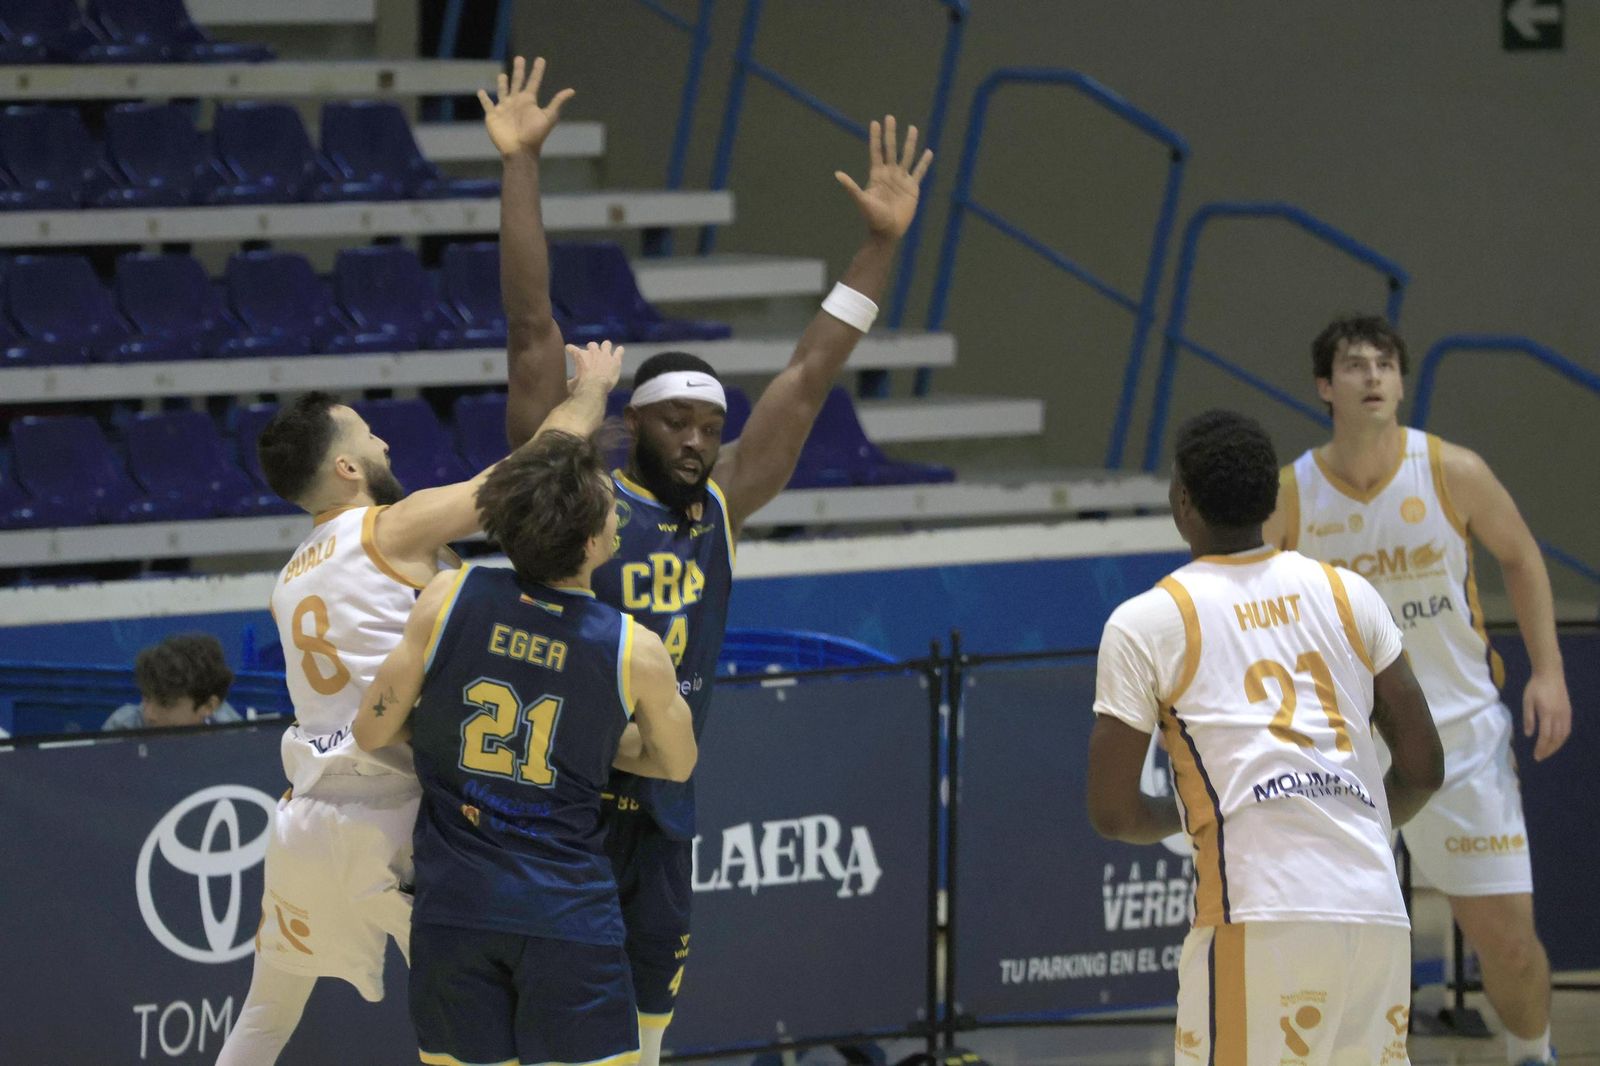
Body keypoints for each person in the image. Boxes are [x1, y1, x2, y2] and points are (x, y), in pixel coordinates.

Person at [500, 103, 932, 1061]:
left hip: (662, 795)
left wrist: (876, 246)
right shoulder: (576, 488)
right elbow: (534, 332)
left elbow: (813, 369)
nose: (697, 438)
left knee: (648, 1029)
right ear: (633, 426)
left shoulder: (728, 497)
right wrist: (521, 166)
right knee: (544, 1028)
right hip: (559, 792)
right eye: (676, 422)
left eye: (709, 422)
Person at [213, 323, 620, 1066]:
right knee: (491, 1020)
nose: (388, 447)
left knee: (265, 1017)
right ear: (346, 466)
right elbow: (525, 477)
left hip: (305, 818)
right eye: (371, 437)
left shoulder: (290, 575)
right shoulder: (384, 530)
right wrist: (590, 391)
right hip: (403, 820)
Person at [1089, 408, 1444, 1065]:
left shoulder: (1147, 622)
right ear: (1271, 497)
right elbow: (1422, 766)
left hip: (1260, 913)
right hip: (1376, 910)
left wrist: (1203, 814)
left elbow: (1114, 813)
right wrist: (1339, 814)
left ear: (1182, 501)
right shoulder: (1349, 594)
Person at [1265, 316, 1572, 1066]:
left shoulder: (1451, 470)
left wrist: (1550, 672)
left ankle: (1532, 1053)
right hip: (1341, 748)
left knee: (1508, 939)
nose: (1372, 376)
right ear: (1324, 388)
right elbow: (1243, 596)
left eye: (1384, 365)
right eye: (1353, 365)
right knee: (1326, 943)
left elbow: (1523, 558)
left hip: (1460, 735)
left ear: (1401, 384)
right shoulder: (1293, 492)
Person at [352, 429, 697, 1066]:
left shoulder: (448, 597)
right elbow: (676, 763)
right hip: (566, 914)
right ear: (594, 541)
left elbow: (372, 728)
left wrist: (442, 733)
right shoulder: (634, 648)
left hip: (453, 910)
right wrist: (588, 744)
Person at [101, 633, 241, 730]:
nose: (149, 715)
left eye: (165, 703)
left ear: (208, 706)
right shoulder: (122, 727)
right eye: (147, 698)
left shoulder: (234, 735)